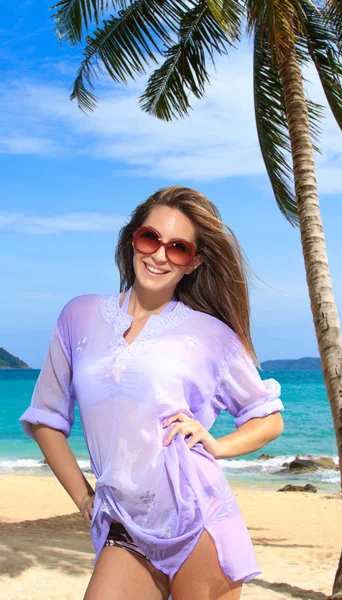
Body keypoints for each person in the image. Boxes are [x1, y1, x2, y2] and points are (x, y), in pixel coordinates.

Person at [19, 185, 285, 600]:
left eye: (178, 248)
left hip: (199, 522)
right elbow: (45, 420)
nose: (160, 255)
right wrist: (84, 498)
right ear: (132, 241)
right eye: (151, 238)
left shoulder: (212, 336)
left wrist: (217, 446)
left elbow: (267, 417)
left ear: (193, 263)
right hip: (124, 524)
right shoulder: (78, 316)